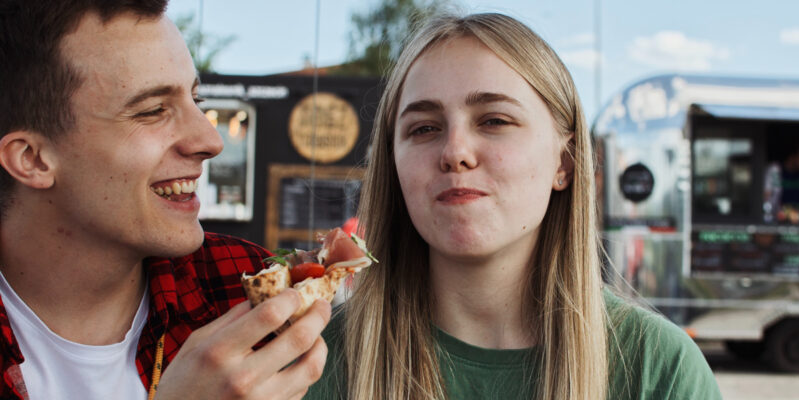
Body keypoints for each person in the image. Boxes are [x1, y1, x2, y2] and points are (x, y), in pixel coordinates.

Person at [305, 13, 722, 400]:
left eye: (494, 120)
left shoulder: (659, 370)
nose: (455, 152)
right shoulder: (309, 366)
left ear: (565, 162)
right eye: (424, 128)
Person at [0, 1, 329, 399]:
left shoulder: (246, 288)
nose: (211, 142)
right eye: (153, 110)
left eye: (196, 101)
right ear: (32, 159)